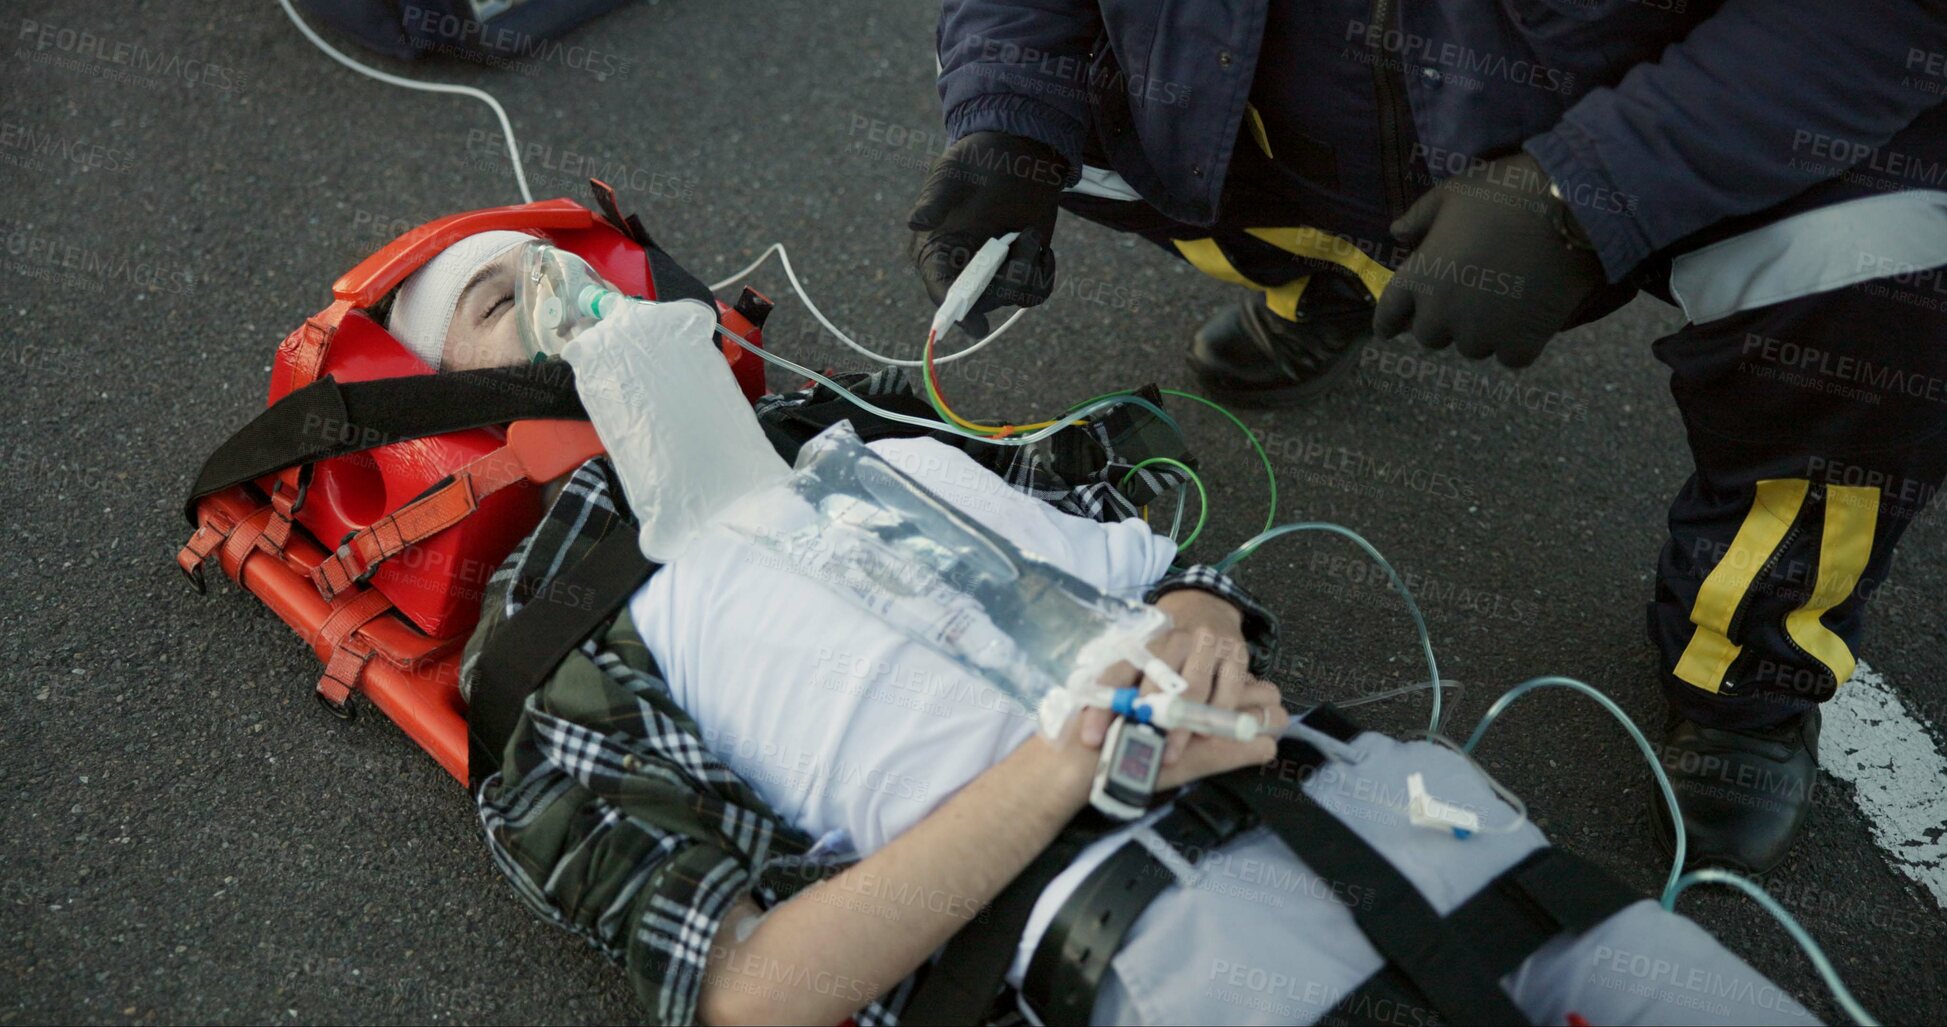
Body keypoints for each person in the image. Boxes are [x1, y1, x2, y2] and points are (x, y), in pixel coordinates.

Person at [394, 235, 1815, 1025]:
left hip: (1378, 811)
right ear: (422, 405)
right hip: (1134, 951)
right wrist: (1070, 757)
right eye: (500, 296)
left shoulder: (854, 418)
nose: (569, 296)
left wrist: (1195, 610)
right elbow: (755, 989)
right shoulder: (550, 650)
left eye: (572, 263)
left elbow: (1139, 498)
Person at [907, 0, 1947, 875]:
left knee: (1883, 266)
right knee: (1070, 112)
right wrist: (1010, 113)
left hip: (1648, 102)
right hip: (1271, 100)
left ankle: (1749, 665)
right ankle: (1338, 278)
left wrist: (1588, 191)